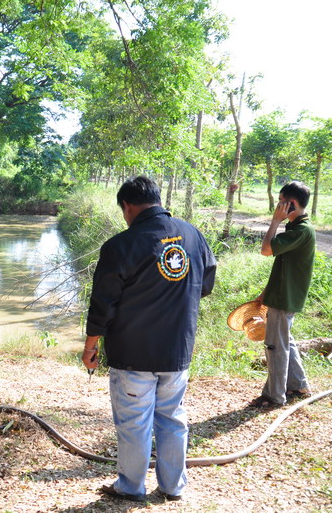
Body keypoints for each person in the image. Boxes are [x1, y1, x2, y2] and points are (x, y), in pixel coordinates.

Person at [82, 176, 216, 502]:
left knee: (134, 423)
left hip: (133, 355)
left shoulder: (121, 245)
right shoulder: (192, 235)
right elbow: (206, 284)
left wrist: (90, 346)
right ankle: (173, 487)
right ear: (157, 199)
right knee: (172, 419)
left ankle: (131, 487)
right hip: (177, 351)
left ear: (127, 206)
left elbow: (103, 305)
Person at [250, 181, 315, 409]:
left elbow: (266, 250)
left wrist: (275, 221)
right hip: (281, 294)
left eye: (281, 202)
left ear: (292, 204)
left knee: (275, 347)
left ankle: (274, 396)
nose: (277, 206)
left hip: (285, 297)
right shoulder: (296, 228)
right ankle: (298, 385)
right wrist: (266, 292)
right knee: (285, 341)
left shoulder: (301, 230)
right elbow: (283, 265)